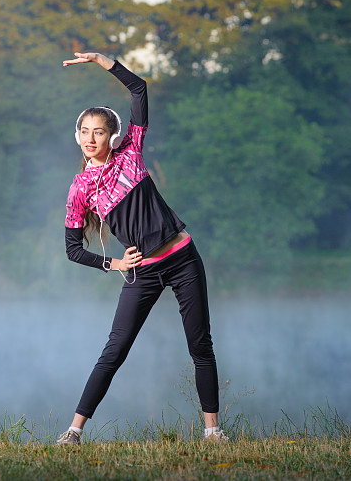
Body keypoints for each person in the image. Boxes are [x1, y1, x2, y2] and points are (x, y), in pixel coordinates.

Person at [56, 51, 228, 445]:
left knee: (200, 345)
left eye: (99, 131)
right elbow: (71, 249)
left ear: (112, 136)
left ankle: (213, 431)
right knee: (114, 351)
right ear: (77, 136)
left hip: (183, 258)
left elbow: (139, 88)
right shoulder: (80, 188)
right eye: (85, 131)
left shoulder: (130, 153)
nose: (91, 138)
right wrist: (114, 263)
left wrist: (104, 61)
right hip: (142, 270)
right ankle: (73, 431)